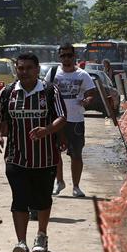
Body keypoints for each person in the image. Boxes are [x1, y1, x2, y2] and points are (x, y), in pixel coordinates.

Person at [0, 54, 66, 252]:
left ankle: (41, 234)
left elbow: (62, 117)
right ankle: (21, 242)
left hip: (45, 158)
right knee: (19, 198)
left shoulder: (49, 91)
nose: (24, 72)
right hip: (16, 156)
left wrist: (47, 130)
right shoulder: (8, 92)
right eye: (20, 68)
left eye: (28, 68)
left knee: (42, 199)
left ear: (37, 69)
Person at [47, 43, 97, 198]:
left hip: (75, 120)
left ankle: (76, 186)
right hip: (56, 120)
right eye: (63, 55)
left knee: (76, 154)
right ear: (59, 57)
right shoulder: (53, 72)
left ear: (74, 56)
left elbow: (91, 92)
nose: (66, 58)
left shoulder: (82, 75)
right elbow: (46, 90)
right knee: (55, 153)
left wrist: (87, 100)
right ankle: (59, 181)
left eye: (69, 55)